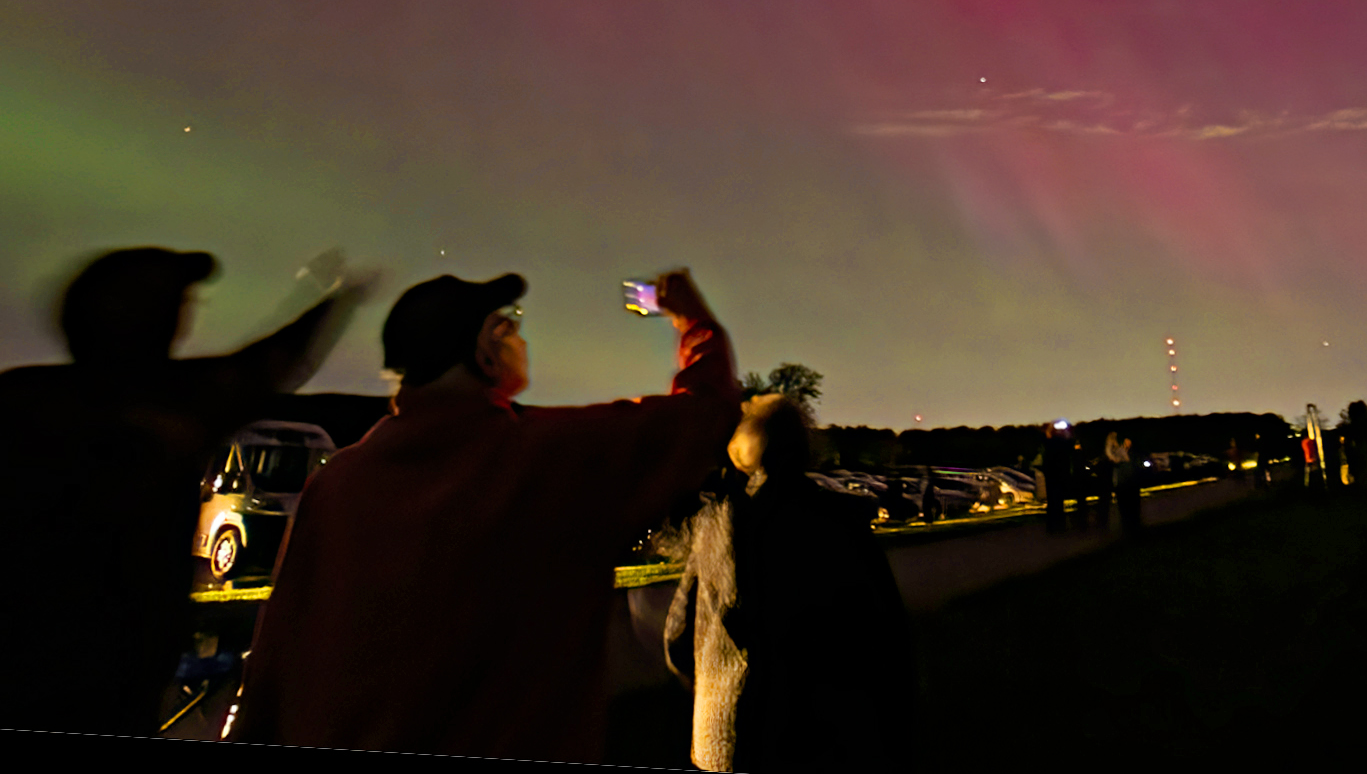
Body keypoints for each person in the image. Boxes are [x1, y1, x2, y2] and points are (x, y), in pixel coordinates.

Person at [231, 268, 739, 759]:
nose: (522, 338)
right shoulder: (546, 460)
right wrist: (692, 320)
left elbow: (275, 654)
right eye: (508, 326)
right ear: (484, 355)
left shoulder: (336, 485)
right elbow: (703, 414)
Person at [0, 245, 369, 736]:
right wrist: (338, 301)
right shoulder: (177, 402)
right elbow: (269, 365)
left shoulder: (19, 400)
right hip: (112, 678)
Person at [663, 393, 912, 772]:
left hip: (725, 737)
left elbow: (678, 635)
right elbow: (886, 635)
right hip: (817, 735)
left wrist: (711, 688)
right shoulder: (839, 521)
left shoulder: (715, 526)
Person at [1036, 421, 1072, 534]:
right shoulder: (1061, 443)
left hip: (1052, 476)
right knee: (1058, 502)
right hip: (1059, 475)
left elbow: (1046, 437)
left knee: (1052, 502)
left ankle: (1052, 528)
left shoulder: (1050, 444)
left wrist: (1050, 428)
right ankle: (1060, 527)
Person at [1108, 433, 1142, 535]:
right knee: (1124, 508)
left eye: (1128, 442)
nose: (1127, 444)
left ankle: (1134, 526)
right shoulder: (1119, 455)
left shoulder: (1133, 455)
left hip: (1131, 484)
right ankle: (1127, 526)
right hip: (1123, 485)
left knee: (1133, 507)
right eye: (1126, 442)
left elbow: (1135, 468)